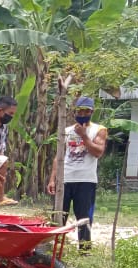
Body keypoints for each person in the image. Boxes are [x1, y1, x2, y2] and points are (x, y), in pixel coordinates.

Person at [48, 96, 107, 253]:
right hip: (65, 179)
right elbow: (58, 156)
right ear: (74, 112)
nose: (82, 113)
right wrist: (52, 179)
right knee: (58, 215)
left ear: (91, 112)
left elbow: (98, 152)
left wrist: (84, 136)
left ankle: (85, 251)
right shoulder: (66, 131)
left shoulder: (99, 130)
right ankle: (54, 249)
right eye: (79, 110)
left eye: (86, 111)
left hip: (86, 180)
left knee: (84, 217)